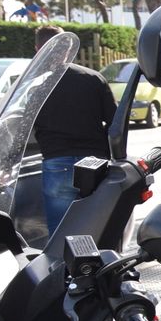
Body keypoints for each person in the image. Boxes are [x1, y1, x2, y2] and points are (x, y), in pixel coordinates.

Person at [31, 25, 115, 234]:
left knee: (62, 233)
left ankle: (64, 267)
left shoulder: (36, 86)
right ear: (68, 48)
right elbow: (115, 121)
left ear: (38, 48)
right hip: (94, 162)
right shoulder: (94, 79)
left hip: (56, 162)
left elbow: (25, 129)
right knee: (96, 229)